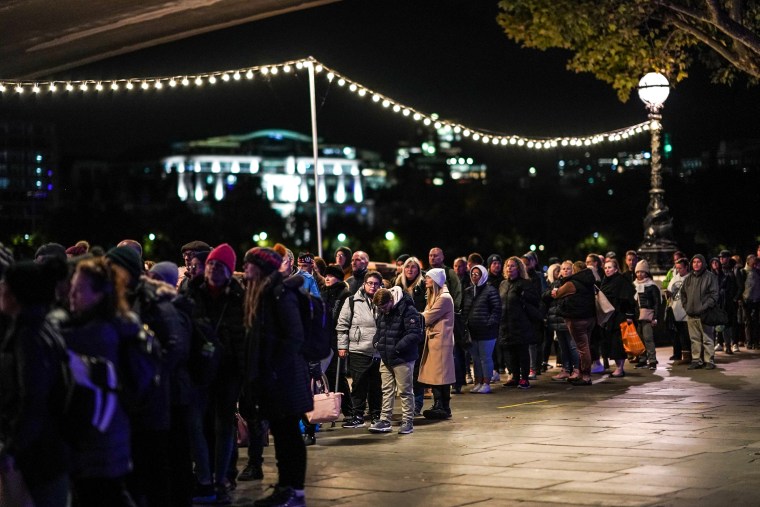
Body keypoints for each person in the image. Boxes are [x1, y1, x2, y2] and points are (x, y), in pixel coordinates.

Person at [63, 257, 139, 507]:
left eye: (79, 290)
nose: (71, 296)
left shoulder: (96, 335)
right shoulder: (114, 324)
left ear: (98, 295)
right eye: (71, 289)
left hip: (99, 443)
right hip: (111, 439)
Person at [242, 247, 311, 507]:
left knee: (289, 435)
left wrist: (274, 369)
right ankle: (286, 487)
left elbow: (294, 336)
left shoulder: (280, 293)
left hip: (285, 378)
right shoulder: (265, 292)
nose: (245, 269)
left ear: (260, 267)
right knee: (284, 434)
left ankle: (294, 490)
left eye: (249, 264)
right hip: (277, 377)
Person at [0, 258, 72, 507]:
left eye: (5, 284)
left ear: (16, 293)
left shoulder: (27, 336)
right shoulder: (42, 326)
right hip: (49, 450)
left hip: (37, 457)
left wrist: (11, 449)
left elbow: (33, 398)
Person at [184, 244, 246, 504]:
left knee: (224, 426)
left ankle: (219, 479)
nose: (212, 269)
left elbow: (242, 331)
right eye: (210, 264)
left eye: (219, 266)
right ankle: (204, 477)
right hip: (199, 368)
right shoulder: (192, 290)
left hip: (227, 370)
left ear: (229, 270)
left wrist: (222, 345)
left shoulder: (236, 295)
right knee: (195, 423)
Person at [369, 287, 422, 435]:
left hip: (402, 358)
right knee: (386, 390)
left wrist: (396, 348)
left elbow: (415, 334)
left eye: (384, 307)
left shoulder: (408, 309)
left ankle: (407, 422)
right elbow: (380, 330)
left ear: (391, 300)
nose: (383, 311)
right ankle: (385, 420)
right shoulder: (383, 310)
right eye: (380, 308)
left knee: (405, 391)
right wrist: (376, 342)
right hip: (386, 357)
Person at [336, 270, 383, 428]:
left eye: (376, 283)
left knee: (377, 385)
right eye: (370, 283)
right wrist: (342, 346)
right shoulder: (352, 301)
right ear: (364, 284)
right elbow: (342, 325)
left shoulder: (385, 300)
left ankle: (376, 414)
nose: (373, 286)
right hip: (358, 349)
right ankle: (357, 415)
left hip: (378, 350)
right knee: (358, 384)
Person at [418, 268, 456, 418]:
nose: (425, 280)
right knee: (437, 375)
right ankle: (440, 405)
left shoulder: (444, 298)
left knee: (440, 375)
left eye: (428, 278)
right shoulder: (435, 295)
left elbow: (428, 317)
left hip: (441, 342)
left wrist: (413, 316)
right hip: (436, 340)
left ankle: (442, 406)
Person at [499, 257, 541, 389]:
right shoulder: (503, 284)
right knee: (510, 352)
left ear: (519, 268)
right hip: (506, 322)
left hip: (521, 323)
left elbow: (535, 300)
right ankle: (514, 376)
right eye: (507, 266)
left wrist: (523, 294)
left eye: (512, 266)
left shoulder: (525, 283)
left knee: (522, 351)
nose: (509, 268)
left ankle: (524, 378)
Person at [553, 261, 597, 385]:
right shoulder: (589, 281)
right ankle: (583, 373)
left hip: (577, 319)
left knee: (582, 348)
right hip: (590, 318)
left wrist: (556, 292)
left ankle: (586, 376)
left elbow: (557, 294)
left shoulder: (572, 283)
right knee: (585, 345)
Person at [461, 265, 501, 393]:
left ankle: (486, 383)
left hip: (487, 331)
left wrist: (489, 323)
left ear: (483, 275)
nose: (474, 276)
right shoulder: (468, 291)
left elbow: (496, 309)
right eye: (472, 274)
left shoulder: (490, 290)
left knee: (485, 358)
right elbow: (464, 310)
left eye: (477, 274)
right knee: (476, 359)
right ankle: (477, 382)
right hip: (473, 331)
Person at [681, 254, 720, 369]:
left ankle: (709, 361)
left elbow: (714, 295)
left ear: (703, 263)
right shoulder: (688, 278)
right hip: (691, 314)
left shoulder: (710, 276)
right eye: (694, 262)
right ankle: (696, 360)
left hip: (705, 314)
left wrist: (705, 307)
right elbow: (683, 294)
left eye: (698, 262)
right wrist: (686, 306)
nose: (696, 264)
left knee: (707, 338)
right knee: (694, 339)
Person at [600, 258, 636, 377]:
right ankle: (618, 367)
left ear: (616, 269)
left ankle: (620, 368)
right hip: (609, 316)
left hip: (619, 315)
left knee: (618, 343)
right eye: (605, 268)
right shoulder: (606, 281)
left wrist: (629, 315)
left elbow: (628, 299)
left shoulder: (621, 280)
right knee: (612, 342)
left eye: (610, 267)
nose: (607, 270)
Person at [543, 262, 579, 381]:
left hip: (568, 319)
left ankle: (576, 369)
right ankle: (566, 369)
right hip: (557, 320)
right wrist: (551, 293)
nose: (565, 271)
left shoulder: (574, 283)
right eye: (563, 269)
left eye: (568, 269)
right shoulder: (556, 283)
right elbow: (545, 296)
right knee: (563, 347)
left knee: (572, 346)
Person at [632, 259, 661, 370]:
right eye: (638, 272)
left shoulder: (651, 286)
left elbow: (657, 303)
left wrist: (655, 317)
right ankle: (642, 360)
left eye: (642, 272)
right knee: (640, 339)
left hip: (648, 315)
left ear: (646, 273)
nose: (639, 274)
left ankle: (652, 360)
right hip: (637, 315)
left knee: (648, 338)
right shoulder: (634, 285)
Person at [666, 258, 692, 365]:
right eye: (677, 268)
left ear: (686, 267)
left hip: (686, 311)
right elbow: (669, 290)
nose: (678, 270)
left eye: (680, 268)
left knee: (686, 334)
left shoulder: (690, 278)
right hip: (675, 309)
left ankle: (688, 356)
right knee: (678, 334)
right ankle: (679, 354)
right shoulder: (674, 278)